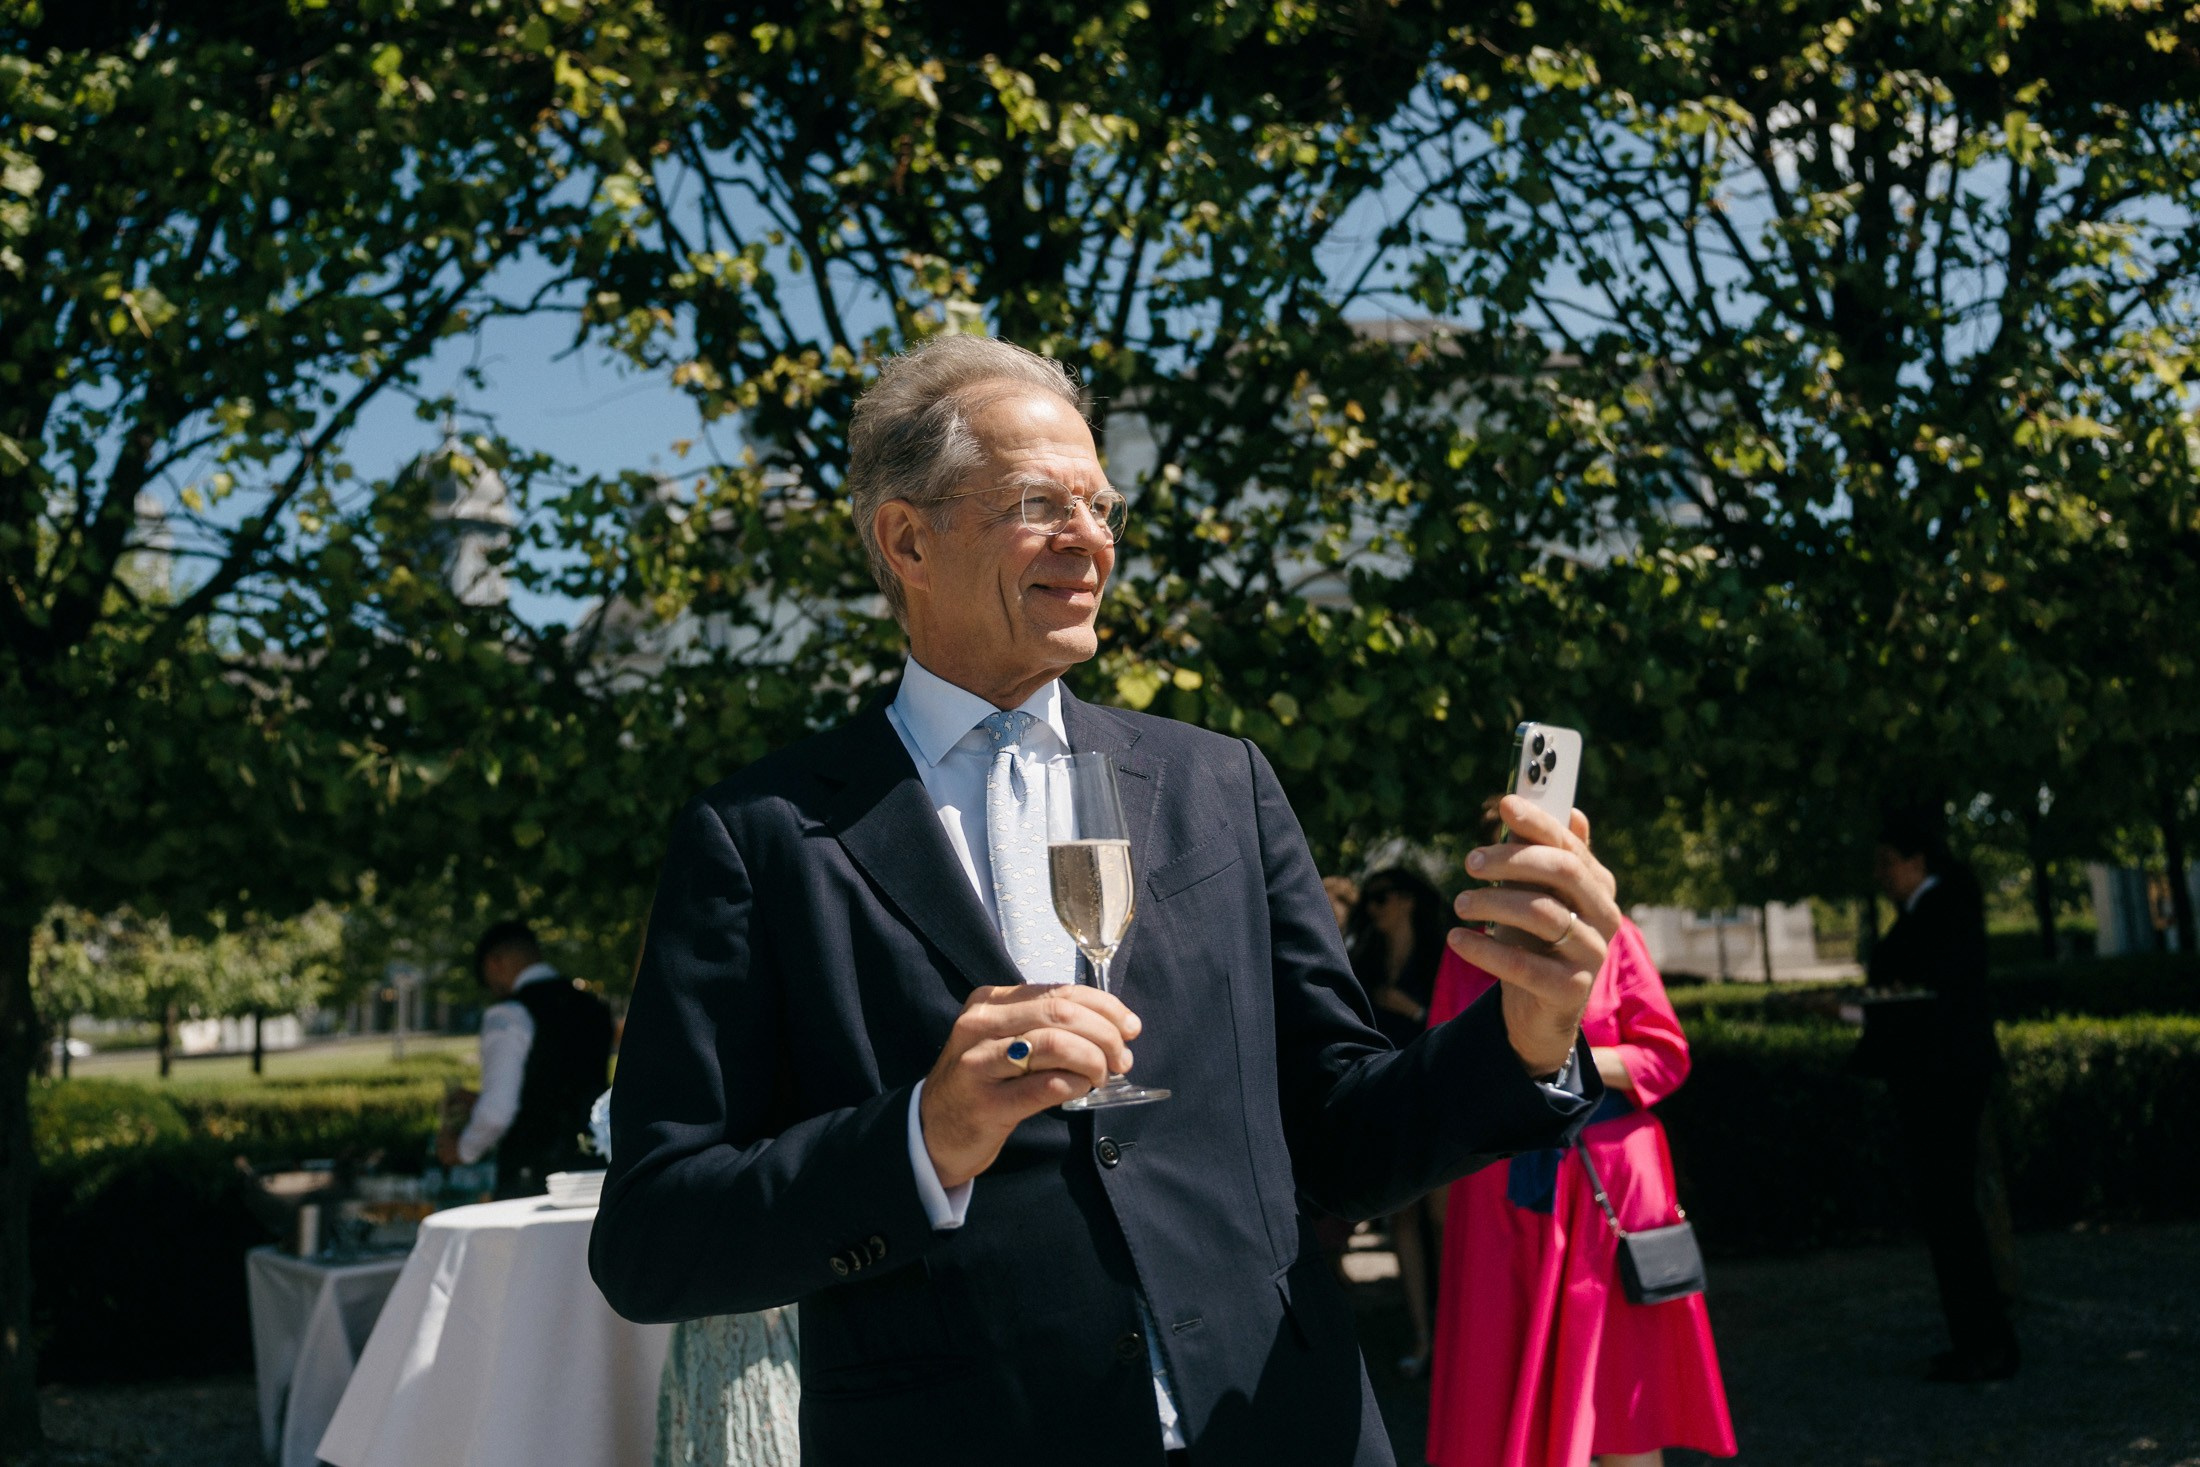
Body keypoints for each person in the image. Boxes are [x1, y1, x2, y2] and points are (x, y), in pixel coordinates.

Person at [590, 335, 1631, 1466]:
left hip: (1274, 1424)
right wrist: (924, 1136)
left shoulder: (1216, 781)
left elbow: (1334, 1136)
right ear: (906, 539)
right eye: (1041, 504)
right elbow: (654, 1241)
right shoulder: (758, 836)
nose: (1090, 541)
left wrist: (1525, 1040)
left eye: (1102, 506)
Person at [1425, 916, 1736, 1467]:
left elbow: (1665, 1056)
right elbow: (1438, 1071)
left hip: (1606, 1187)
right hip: (1501, 1189)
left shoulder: (1613, 932)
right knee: (1502, 1392)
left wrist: (1564, 1062)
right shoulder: (1467, 945)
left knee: (1621, 1402)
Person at [1855, 809, 2019, 1382]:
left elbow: (1920, 999)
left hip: (1939, 1078)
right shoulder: (1946, 908)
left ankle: (1984, 1342)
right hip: (1946, 1074)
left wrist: (1864, 1008)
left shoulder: (1938, 912)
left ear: (1915, 861)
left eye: (1887, 863)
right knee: (1951, 1212)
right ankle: (1980, 1338)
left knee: (1950, 1212)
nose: (1882, 874)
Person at [1344, 866, 1451, 1378]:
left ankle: (1457, 1335)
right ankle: (1424, 1336)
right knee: (1403, 1221)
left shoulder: (1442, 954)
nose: (1373, 908)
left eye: (1383, 898)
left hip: (1437, 1095)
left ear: (1408, 901)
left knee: (1443, 1221)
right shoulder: (1363, 958)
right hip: (1389, 1098)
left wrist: (1410, 1008)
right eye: (1370, 900)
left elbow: (1461, 1024)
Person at [437, 920, 614, 1200]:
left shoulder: (508, 1015)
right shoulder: (595, 1009)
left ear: (495, 963)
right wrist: (475, 1100)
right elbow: (566, 1086)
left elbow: (498, 1111)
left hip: (532, 1175)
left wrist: (462, 1149)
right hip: (594, 1170)